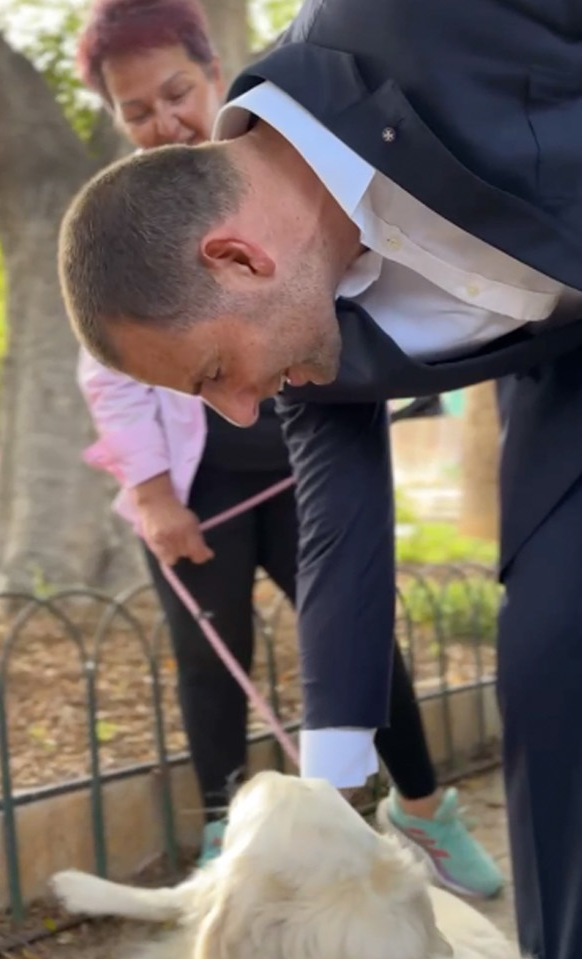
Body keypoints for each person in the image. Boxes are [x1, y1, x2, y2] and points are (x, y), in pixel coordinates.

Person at [56, 0, 582, 959]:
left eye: (213, 377)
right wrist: (332, 789)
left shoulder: (410, 21)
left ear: (238, 258)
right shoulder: (301, 338)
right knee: (550, 662)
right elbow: (340, 529)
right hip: (565, 392)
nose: (240, 413)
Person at [69, 0, 502, 889]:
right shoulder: (123, 241)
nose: (163, 121)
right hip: (199, 490)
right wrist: (154, 494)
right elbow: (112, 378)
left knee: (357, 632)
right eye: (137, 111)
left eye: (175, 93)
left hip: (307, 475)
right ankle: (231, 838)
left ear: (213, 75)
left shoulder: (289, 180)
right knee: (211, 663)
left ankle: (420, 810)